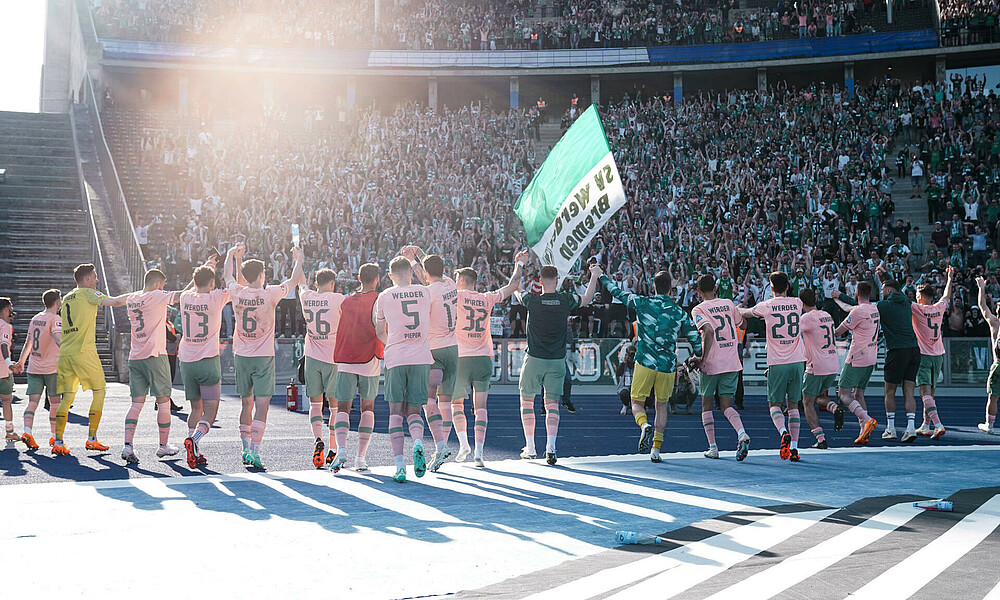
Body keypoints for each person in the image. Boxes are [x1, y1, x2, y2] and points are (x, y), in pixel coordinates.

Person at [601, 267, 701, 463]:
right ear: (670, 288)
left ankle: (644, 424)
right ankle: (656, 448)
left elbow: (617, 292)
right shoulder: (679, 313)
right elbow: (695, 340)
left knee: (636, 402)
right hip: (667, 366)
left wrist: (601, 276)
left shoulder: (642, 302)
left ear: (653, 287)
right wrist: (698, 357)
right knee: (661, 406)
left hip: (645, 362)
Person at [225, 243, 304, 469]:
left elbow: (228, 276)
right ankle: (256, 450)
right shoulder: (270, 293)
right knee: (262, 405)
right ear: (261, 275)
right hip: (263, 356)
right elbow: (294, 280)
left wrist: (232, 256)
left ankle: (245, 449)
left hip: (242, 355)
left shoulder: (238, 292)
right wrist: (299, 258)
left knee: (245, 404)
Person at [517, 263, 600, 465]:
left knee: (527, 402)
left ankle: (530, 447)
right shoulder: (565, 300)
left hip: (534, 358)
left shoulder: (532, 300)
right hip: (556, 360)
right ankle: (551, 447)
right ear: (557, 280)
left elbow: (516, 288)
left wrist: (519, 265)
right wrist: (594, 275)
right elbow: (588, 298)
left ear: (540, 281)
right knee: (552, 404)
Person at [452, 252, 527, 467]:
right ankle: (479, 453)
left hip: (462, 357)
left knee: (456, 404)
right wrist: (519, 264)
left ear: (461, 280)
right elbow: (514, 285)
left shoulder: (456, 296)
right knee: (481, 408)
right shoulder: (487, 298)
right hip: (483, 357)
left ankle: (463, 444)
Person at [121, 267, 196, 464]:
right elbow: (182, 295)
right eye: (162, 286)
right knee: (163, 402)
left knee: (136, 404)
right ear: (157, 284)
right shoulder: (156, 295)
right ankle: (163, 445)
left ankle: (128, 446)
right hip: (155, 354)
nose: (163, 289)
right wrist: (197, 277)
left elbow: (114, 300)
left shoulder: (132, 298)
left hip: (135, 356)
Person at [837, 266, 921, 442]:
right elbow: (894, 287)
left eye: (883, 289)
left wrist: (840, 296)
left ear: (888, 291)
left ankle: (890, 428)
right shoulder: (906, 300)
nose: (881, 292)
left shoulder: (882, 306)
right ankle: (911, 427)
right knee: (909, 391)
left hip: (896, 350)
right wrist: (884, 275)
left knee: (889, 391)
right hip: (914, 349)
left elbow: (858, 307)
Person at [52, 264, 128, 456]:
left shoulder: (67, 297)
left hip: (66, 353)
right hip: (83, 351)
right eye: (94, 277)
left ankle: (58, 441)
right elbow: (117, 302)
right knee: (99, 391)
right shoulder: (88, 293)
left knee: (67, 398)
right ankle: (92, 439)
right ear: (87, 279)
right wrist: (141, 294)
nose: (96, 280)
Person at [375, 256, 434, 483]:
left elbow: (379, 330)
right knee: (415, 412)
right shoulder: (424, 292)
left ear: (390, 276)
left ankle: (399, 466)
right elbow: (429, 281)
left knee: (395, 413)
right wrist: (416, 259)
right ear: (411, 273)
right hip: (420, 357)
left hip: (396, 356)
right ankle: (418, 443)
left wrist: (392, 342)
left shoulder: (384, 296)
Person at [403, 246, 458, 472]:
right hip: (453, 348)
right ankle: (441, 447)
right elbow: (431, 271)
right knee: (445, 402)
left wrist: (413, 260)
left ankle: (441, 445)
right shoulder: (451, 284)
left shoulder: (427, 292)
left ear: (425, 273)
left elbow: (426, 279)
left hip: (434, 350)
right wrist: (418, 255)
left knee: (428, 400)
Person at [739, 272, 804, 462]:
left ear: (772, 288)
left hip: (777, 361)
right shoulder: (797, 303)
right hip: (797, 360)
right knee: (793, 405)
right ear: (788, 286)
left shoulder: (766, 305)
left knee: (775, 404)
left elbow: (746, 313)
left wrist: (734, 308)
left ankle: (783, 432)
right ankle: (794, 448)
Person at [330, 263, 383, 472]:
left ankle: (341, 450)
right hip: (369, 357)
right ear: (377, 279)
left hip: (346, 357)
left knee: (342, 408)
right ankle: (360, 458)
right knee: (367, 408)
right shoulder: (378, 300)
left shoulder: (346, 301)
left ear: (359, 278)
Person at [691, 274, 750, 461]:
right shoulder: (728, 303)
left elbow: (708, 330)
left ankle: (713, 447)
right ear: (715, 288)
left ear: (698, 291)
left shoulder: (699, 309)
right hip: (731, 361)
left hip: (712, 363)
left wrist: (702, 359)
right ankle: (741, 433)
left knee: (706, 406)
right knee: (727, 406)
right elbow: (743, 325)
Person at [179, 259, 231, 469]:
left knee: (195, 409)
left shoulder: (185, 297)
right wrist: (232, 258)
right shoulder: (215, 297)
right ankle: (194, 440)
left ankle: (194, 450)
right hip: (207, 360)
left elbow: (192, 288)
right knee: (210, 412)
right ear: (212, 283)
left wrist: (208, 267)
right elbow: (236, 285)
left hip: (186, 361)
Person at [298, 267, 345, 469]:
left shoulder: (307, 297)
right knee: (335, 407)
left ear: (316, 283)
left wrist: (299, 260)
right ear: (332, 284)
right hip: (332, 357)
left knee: (315, 405)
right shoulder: (338, 299)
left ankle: (317, 439)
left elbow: (300, 283)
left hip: (312, 356)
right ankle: (333, 449)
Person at [831, 281, 880, 444]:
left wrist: (822, 330)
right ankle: (863, 430)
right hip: (871, 357)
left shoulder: (858, 311)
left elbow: (838, 332)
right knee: (858, 394)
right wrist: (837, 300)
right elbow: (850, 309)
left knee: (843, 394)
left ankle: (867, 419)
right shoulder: (873, 308)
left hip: (857, 357)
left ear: (856, 293)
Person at [14, 289, 62, 450]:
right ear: (57, 302)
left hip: (34, 367)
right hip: (52, 368)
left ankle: (27, 432)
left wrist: (21, 362)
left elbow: (28, 342)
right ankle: (54, 437)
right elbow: (58, 339)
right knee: (55, 403)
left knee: (32, 402)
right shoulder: (55, 319)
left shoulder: (35, 318)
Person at [912, 267, 954, 440]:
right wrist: (950, 278)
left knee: (924, 393)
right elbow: (946, 296)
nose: (915, 297)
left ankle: (938, 425)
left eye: (917, 295)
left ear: (921, 297)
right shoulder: (939, 307)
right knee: (931, 393)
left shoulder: (916, 308)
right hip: (938, 355)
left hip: (923, 355)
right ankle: (925, 425)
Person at [798, 289, 839, 450]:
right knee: (816, 396)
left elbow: (791, 333)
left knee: (807, 401)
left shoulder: (806, 318)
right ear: (815, 299)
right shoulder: (826, 315)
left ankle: (820, 439)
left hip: (817, 365)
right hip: (832, 363)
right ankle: (834, 408)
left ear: (802, 303)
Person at [975, 276, 999, 434]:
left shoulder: (995, 323)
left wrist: (981, 288)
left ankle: (989, 425)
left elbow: (982, 306)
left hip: (998, 364)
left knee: (993, 396)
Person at [0, 297, 22, 443]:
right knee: (7, 400)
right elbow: (3, 344)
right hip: (3, 370)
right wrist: (8, 362)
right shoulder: (5, 326)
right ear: (5, 309)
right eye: (10, 308)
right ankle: (9, 431)